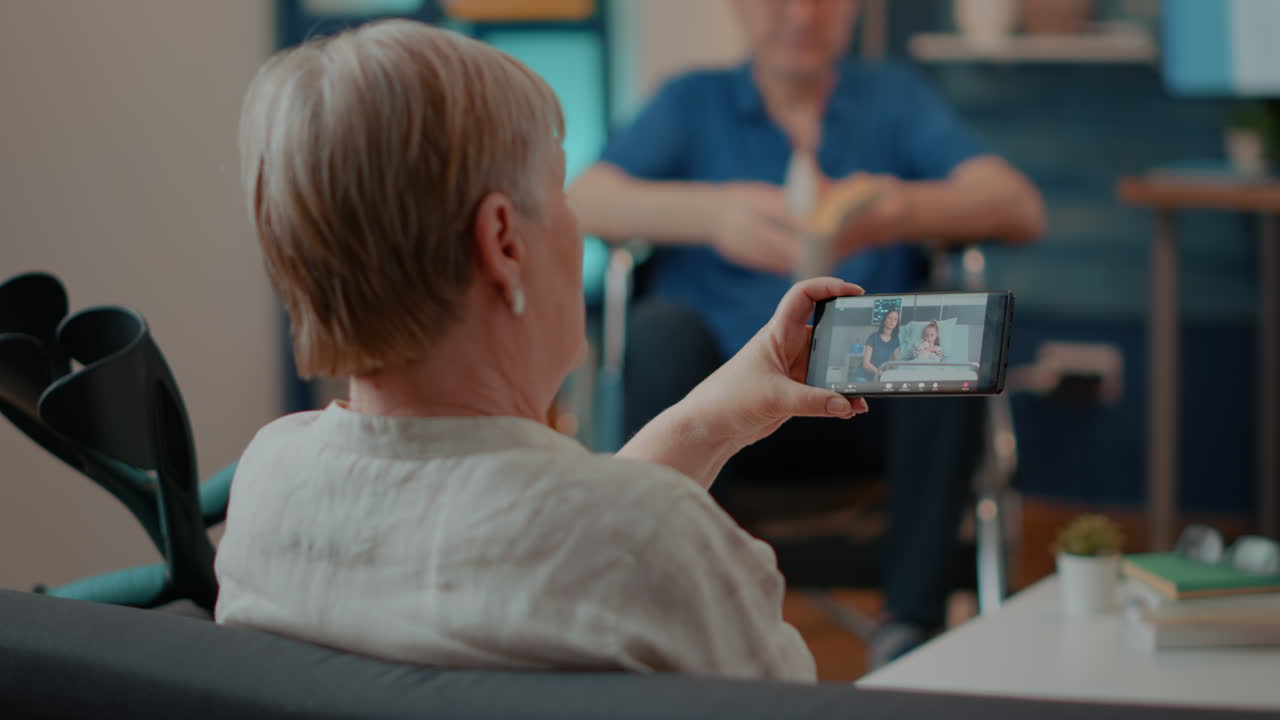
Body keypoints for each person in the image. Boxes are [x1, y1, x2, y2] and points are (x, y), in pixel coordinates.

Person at [213, 19, 875, 684]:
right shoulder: (661, 541)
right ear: (504, 241)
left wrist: (704, 424)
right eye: (558, 193)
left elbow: (538, 528)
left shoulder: (268, 482)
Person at [568, 0, 1044, 666]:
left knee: (945, 326)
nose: (800, 15)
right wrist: (713, 215)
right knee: (657, 332)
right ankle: (692, 620)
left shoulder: (892, 99)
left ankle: (909, 627)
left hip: (866, 406)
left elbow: (1018, 204)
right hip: (721, 413)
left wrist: (892, 212)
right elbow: (581, 199)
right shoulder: (691, 102)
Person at [859, 308, 900, 380]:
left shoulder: (895, 340)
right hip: (864, 376)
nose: (892, 321)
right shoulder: (873, 337)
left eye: (895, 319)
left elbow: (895, 364)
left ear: (897, 323)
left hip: (880, 377)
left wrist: (890, 375)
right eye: (890, 318)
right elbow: (866, 364)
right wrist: (881, 373)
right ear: (884, 320)